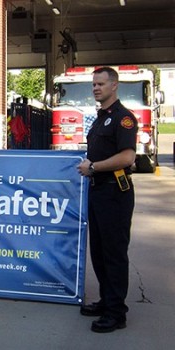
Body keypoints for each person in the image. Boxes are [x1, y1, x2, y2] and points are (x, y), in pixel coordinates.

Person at [77, 66, 138, 333]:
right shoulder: (101, 118)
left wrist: (93, 167)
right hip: (98, 191)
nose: (96, 88)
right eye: (93, 85)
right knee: (99, 253)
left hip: (115, 192)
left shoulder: (124, 118)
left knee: (114, 254)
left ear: (114, 86)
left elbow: (127, 157)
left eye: (100, 84)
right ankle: (106, 301)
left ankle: (116, 313)